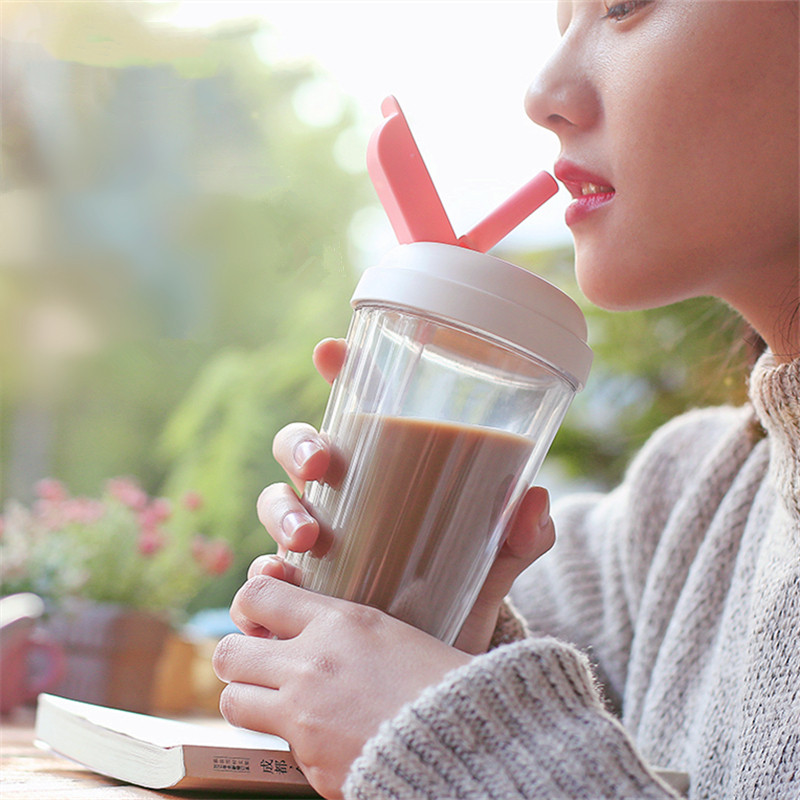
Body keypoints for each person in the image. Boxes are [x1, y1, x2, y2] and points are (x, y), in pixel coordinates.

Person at [212, 1, 800, 797]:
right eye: (561, 20)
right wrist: (413, 628)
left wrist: (458, 744)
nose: (543, 90)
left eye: (625, 4)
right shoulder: (678, 513)